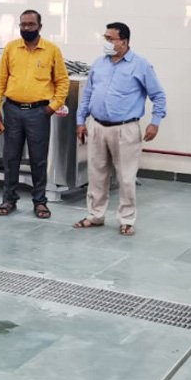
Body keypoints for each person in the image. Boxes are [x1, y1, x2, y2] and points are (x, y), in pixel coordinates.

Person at [73, 22, 167, 236]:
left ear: (123, 42)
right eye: (105, 38)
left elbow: (158, 95)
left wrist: (155, 122)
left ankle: (127, 219)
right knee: (96, 174)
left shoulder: (141, 65)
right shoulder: (99, 64)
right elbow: (87, 94)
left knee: (126, 177)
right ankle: (95, 215)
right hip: (97, 126)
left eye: (110, 39)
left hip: (125, 129)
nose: (106, 42)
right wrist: (80, 120)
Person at [0, 9, 69, 219]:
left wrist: (52, 107)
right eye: (23, 24)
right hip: (12, 110)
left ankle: (40, 202)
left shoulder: (51, 50)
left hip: (39, 112)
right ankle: (9, 199)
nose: (26, 28)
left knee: (38, 159)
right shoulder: (11, 48)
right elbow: (0, 78)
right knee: (10, 158)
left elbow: (62, 81)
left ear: (40, 27)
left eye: (31, 24)